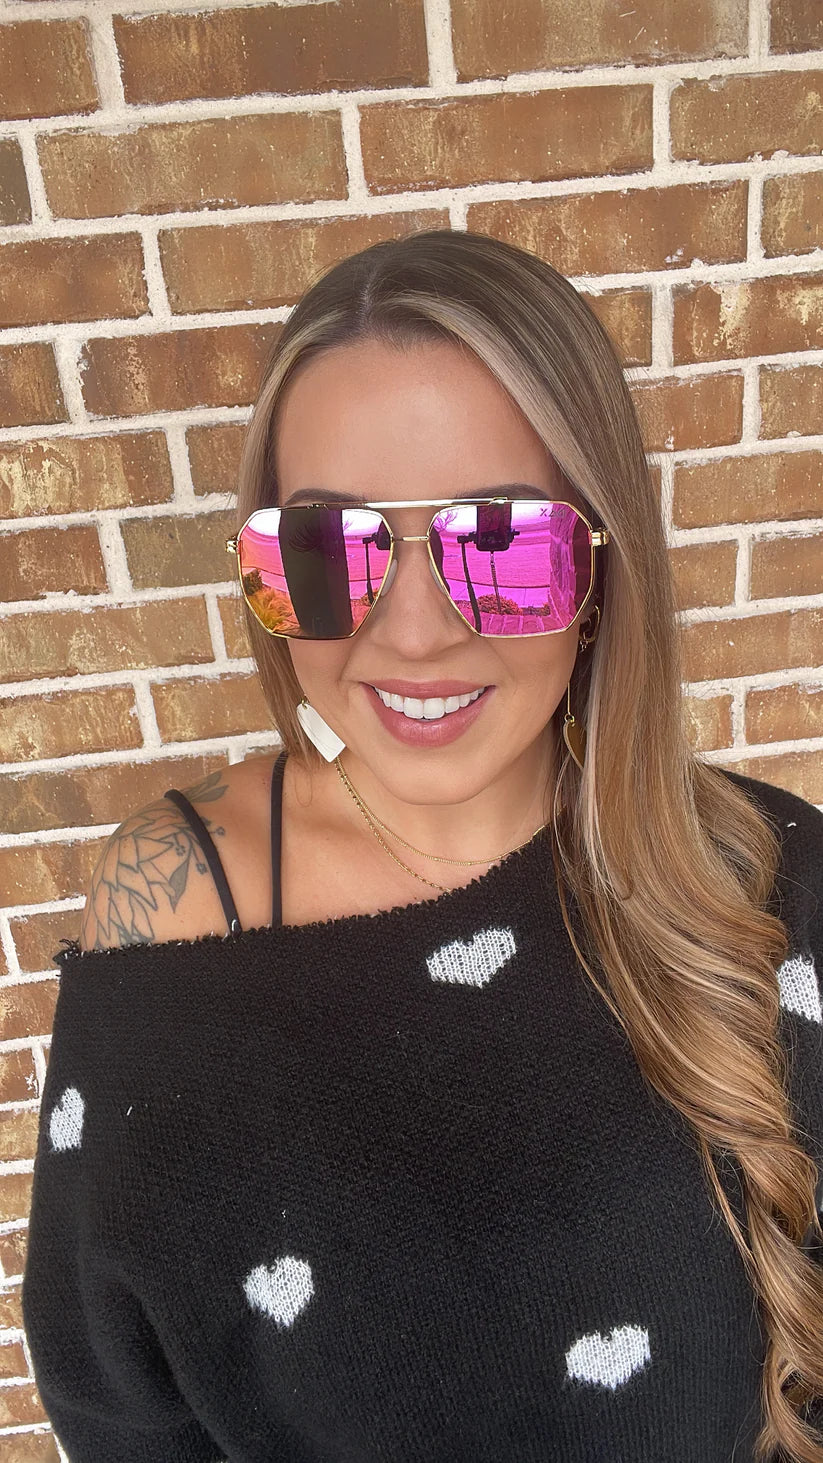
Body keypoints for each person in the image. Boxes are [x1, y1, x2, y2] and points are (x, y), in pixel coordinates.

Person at [21, 228, 823, 1463]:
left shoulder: (773, 886)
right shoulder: (169, 909)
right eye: (322, 548)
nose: (412, 632)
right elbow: (119, 1401)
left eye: (499, 539)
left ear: (599, 561)